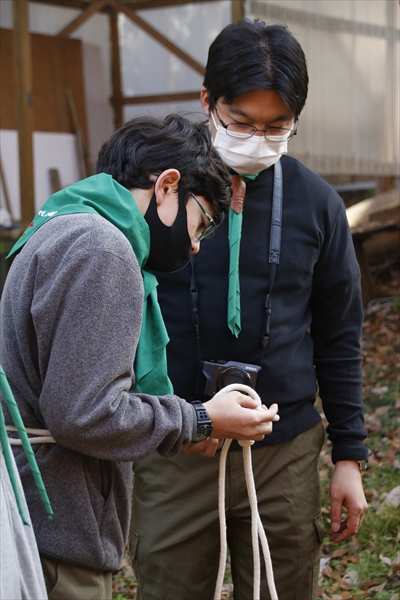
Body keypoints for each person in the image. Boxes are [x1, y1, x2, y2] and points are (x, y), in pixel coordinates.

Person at [129, 20, 369, 600]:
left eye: (276, 127)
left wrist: (350, 457)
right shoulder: (154, 191)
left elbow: (339, 334)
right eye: (241, 124)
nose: (257, 139)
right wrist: (171, 417)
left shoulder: (318, 204)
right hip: (177, 443)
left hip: (280, 450)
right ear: (208, 102)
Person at [0, 114, 279, 600]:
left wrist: (186, 422)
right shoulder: (102, 250)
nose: (194, 245)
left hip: (35, 518)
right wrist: (200, 418)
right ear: (168, 186)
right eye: (201, 223)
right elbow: (85, 415)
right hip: (57, 537)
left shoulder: (61, 225)